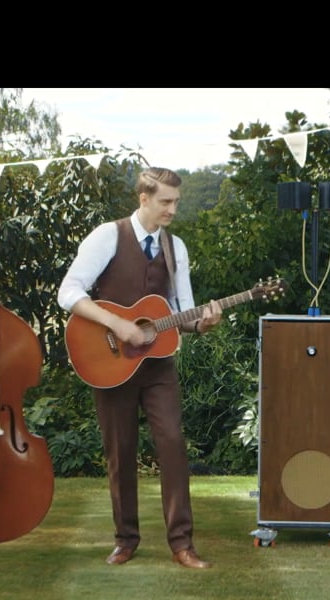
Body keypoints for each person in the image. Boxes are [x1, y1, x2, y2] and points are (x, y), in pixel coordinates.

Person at [57, 167, 222, 570]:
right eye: (165, 201)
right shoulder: (108, 236)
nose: (172, 210)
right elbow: (68, 291)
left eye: (176, 202)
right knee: (120, 450)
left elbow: (183, 311)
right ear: (143, 198)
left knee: (173, 444)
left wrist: (202, 323)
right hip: (110, 361)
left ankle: (182, 543)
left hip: (158, 363)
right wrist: (117, 324)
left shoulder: (174, 247)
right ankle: (125, 539)